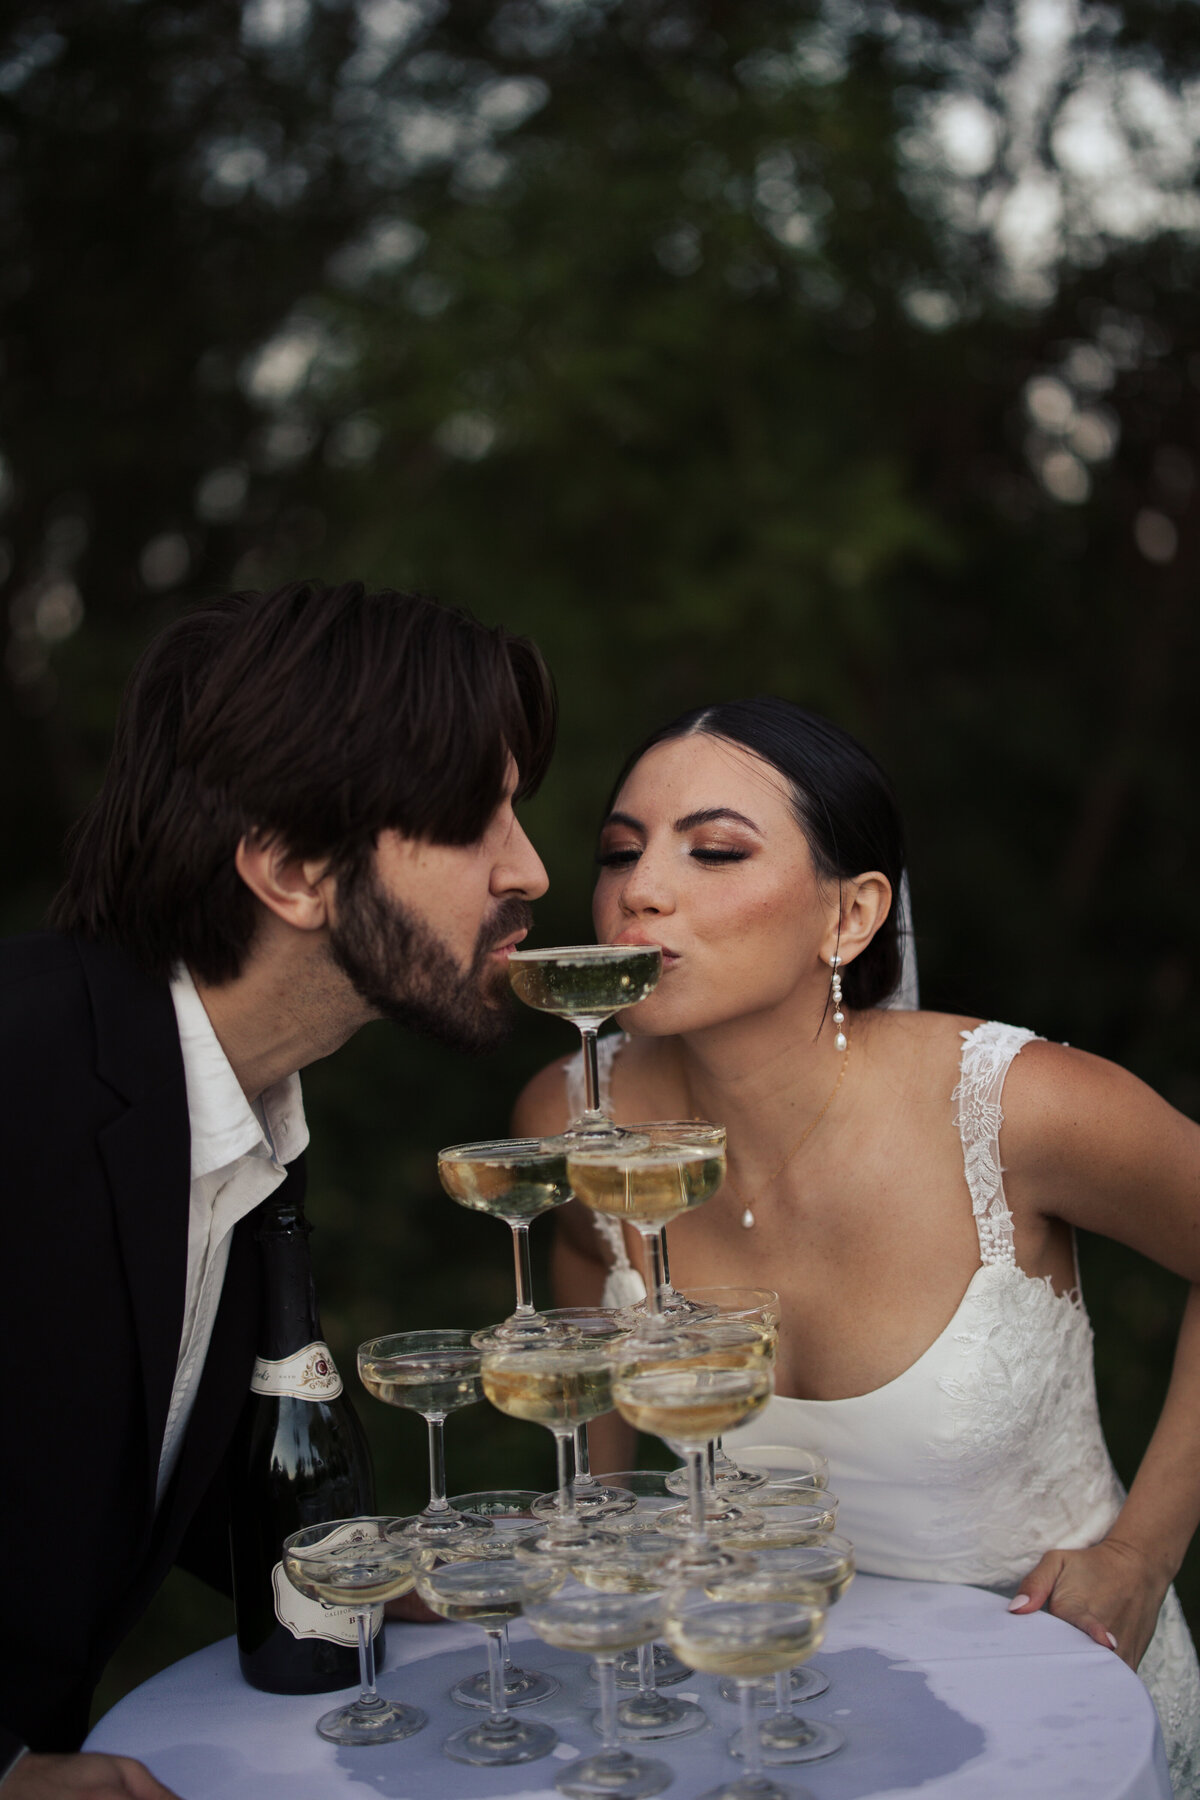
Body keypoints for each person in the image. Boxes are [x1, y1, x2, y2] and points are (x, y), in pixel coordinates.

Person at [513, 695, 1200, 1795]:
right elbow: (587, 1263)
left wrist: (1143, 1555)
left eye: (716, 851)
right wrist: (595, 1534)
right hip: (752, 1717)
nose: (639, 889)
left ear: (852, 915)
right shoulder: (572, 1122)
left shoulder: (1017, 1107)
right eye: (620, 851)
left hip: (1059, 1719)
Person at [1, 580, 554, 1799]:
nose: (535, 869)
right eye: (481, 818)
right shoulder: (21, 1070)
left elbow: (122, 1443)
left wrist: (372, 1565)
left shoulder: (244, 1112)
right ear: (296, 870)